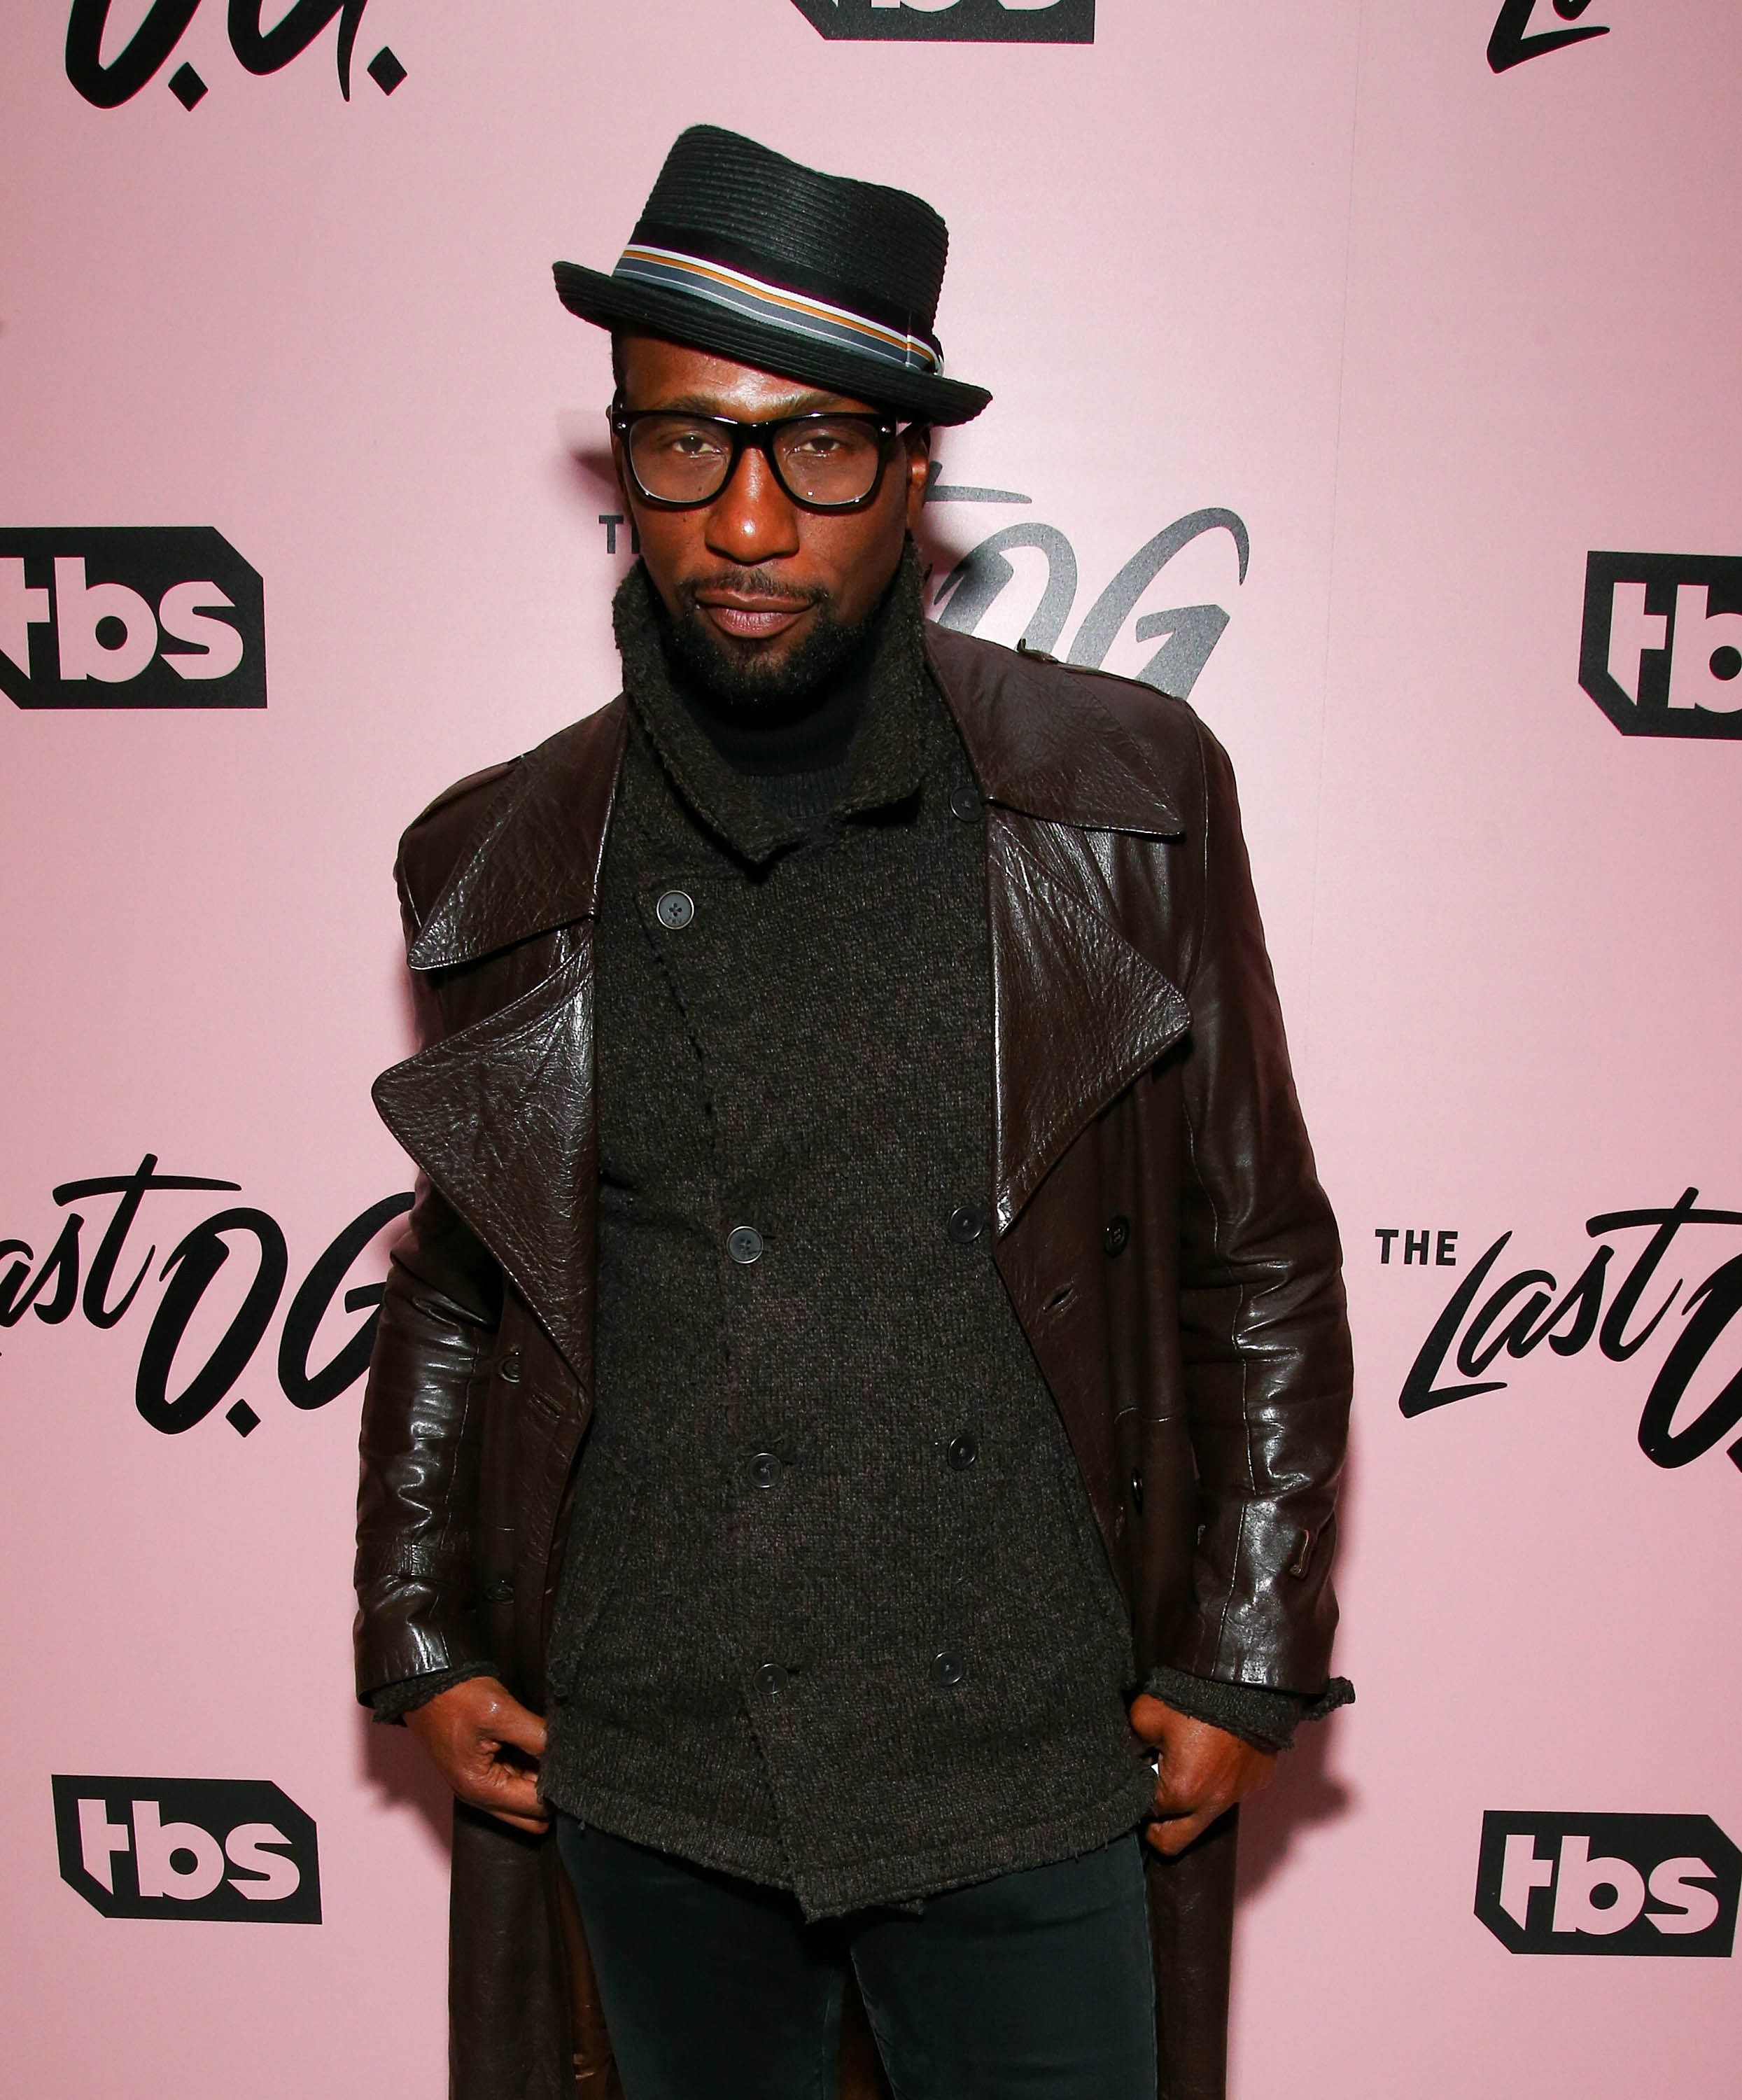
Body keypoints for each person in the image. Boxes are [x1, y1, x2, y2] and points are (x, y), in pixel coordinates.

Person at [355, 125, 1353, 2100]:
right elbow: (463, 1287)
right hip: (642, 1774)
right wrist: (417, 1625)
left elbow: (1256, 1255)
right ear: (622, 463)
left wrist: (1240, 1648)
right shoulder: (498, 857)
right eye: (682, 443)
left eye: (815, 447)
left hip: (1030, 1772)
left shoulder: (1123, 798)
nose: (741, 521)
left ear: (908, 469)